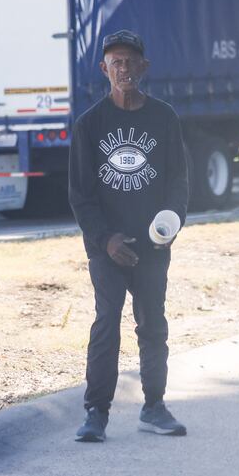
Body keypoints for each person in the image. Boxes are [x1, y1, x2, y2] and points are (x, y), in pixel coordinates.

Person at [68, 29, 189, 442]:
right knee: (107, 323)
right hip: (108, 248)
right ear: (104, 69)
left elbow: (178, 181)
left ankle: (154, 406)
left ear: (144, 67)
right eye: (115, 62)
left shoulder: (163, 118)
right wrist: (106, 241)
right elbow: (81, 196)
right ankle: (95, 414)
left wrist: (170, 225)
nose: (123, 68)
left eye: (130, 61)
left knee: (152, 323)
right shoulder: (89, 126)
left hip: (153, 245)